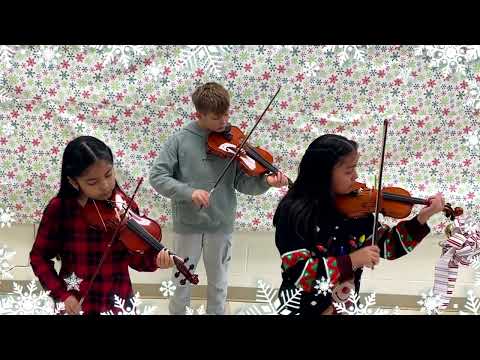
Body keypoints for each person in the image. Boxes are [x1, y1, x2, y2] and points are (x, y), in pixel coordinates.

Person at [149, 82, 288, 314]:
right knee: (180, 282)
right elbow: (158, 177)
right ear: (199, 115)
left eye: (226, 114)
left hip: (220, 225)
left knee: (219, 283)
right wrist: (189, 192)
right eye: (216, 118)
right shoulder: (179, 140)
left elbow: (243, 183)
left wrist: (265, 182)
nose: (224, 122)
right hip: (187, 225)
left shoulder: (232, 141)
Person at [273, 134, 445, 315]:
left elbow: (389, 247)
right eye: (348, 171)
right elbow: (300, 273)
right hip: (301, 308)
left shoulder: (357, 214)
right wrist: (353, 260)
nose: (355, 176)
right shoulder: (294, 212)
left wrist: (423, 217)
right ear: (323, 172)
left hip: (344, 306)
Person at [30, 136, 174, 314]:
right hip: (76, 300)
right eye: (92, 182)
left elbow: (136, 260)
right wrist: (62, 295)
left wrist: (156, 261)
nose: (105, 186)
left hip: (118, 300)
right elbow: (39, 257)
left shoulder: (125, 207)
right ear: (74, 181)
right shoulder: (60, 209)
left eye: (109, 174)